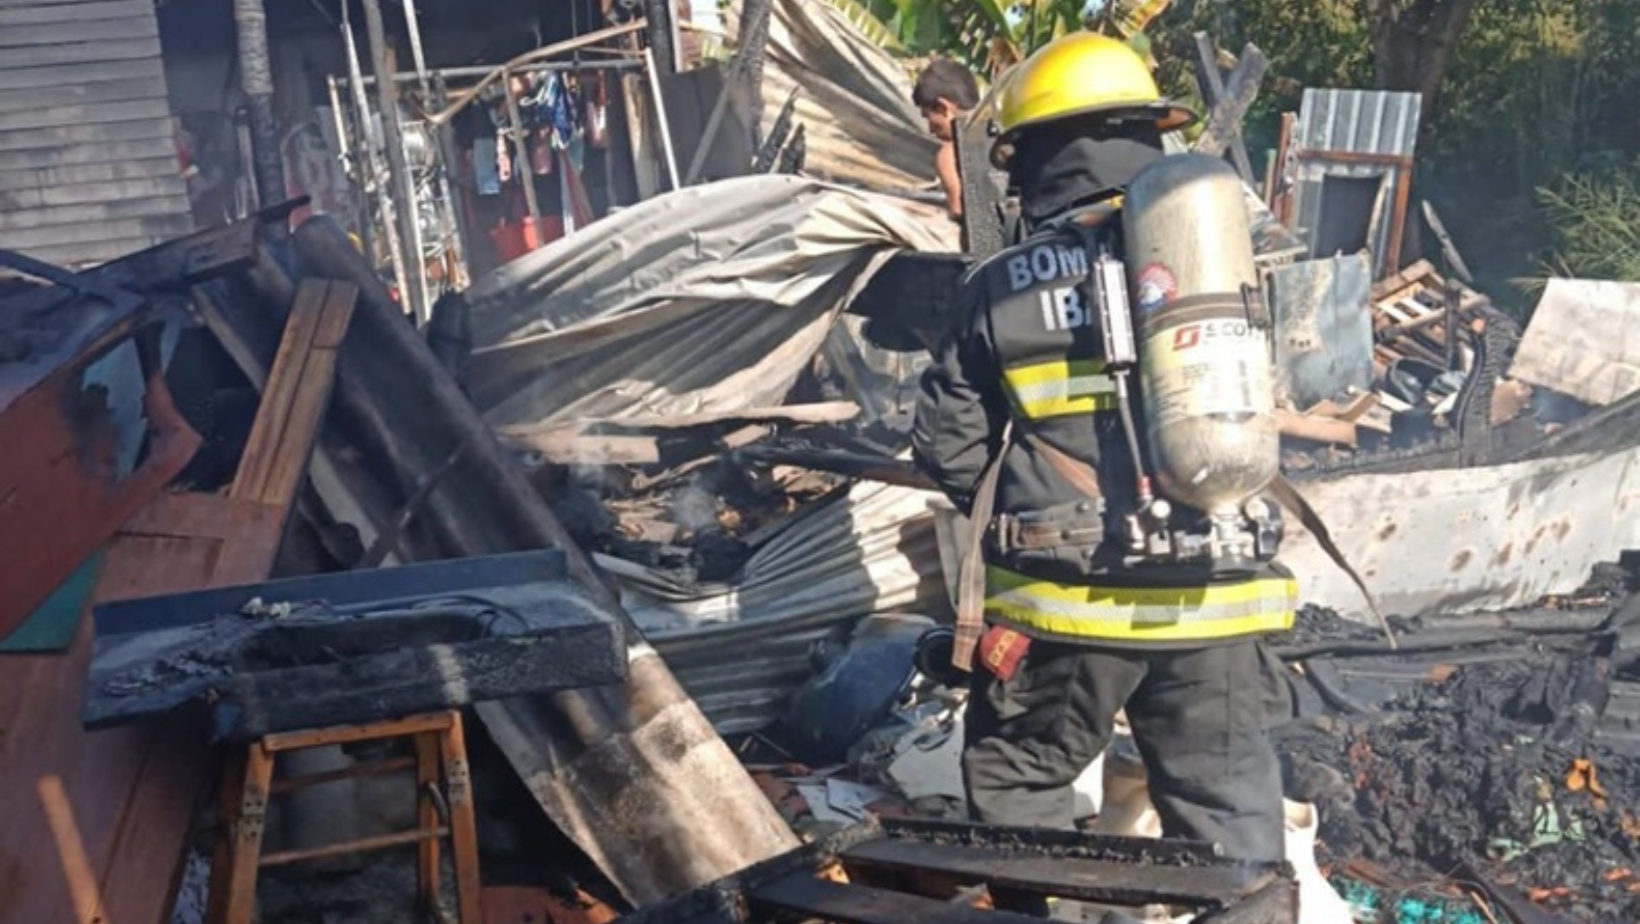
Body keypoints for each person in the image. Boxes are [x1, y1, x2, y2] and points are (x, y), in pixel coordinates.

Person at [911, 32, 1296, 864]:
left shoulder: (1002, 283)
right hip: (1221, 598)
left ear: (1035, 156)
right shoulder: (1230, 263)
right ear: (1150, 133)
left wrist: (1036, 494)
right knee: (1227, 811)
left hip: (1067, 604)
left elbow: (947, 449)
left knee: (1020, 783)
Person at [912, 58, 980, 219]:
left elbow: (961, 214)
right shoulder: (1010, 131)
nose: (930, 129)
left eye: (929, 117)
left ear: (943, 108)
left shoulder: (950, 155)